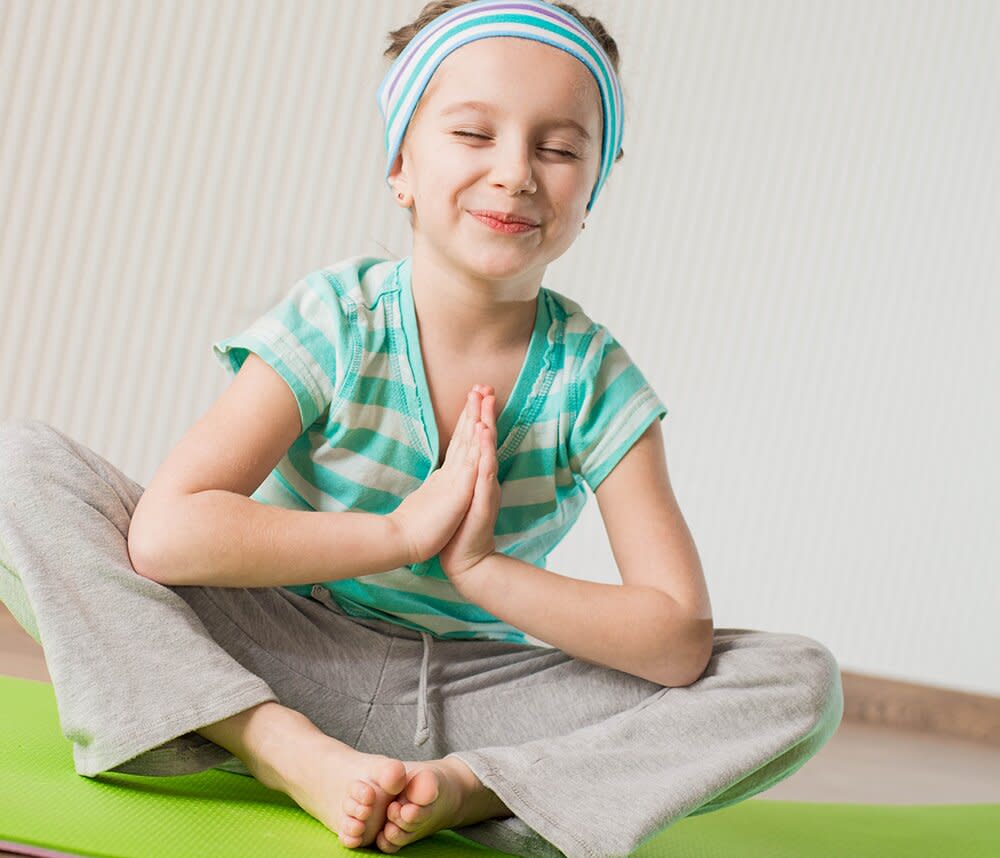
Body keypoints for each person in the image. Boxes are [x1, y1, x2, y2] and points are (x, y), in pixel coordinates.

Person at [0, 1, 844, 856]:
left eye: (556, 149)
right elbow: (170, 538)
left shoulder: (596, 378)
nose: (516, 173)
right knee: (19, 466)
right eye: (475, 135)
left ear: (593, 189)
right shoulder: (340, 319)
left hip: (484, 700)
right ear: (401, 163)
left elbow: (674, 643)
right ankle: (281, 750)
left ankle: (478, 792)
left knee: (797, 681)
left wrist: (477, 570)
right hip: (288, 656)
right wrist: (400, 532)